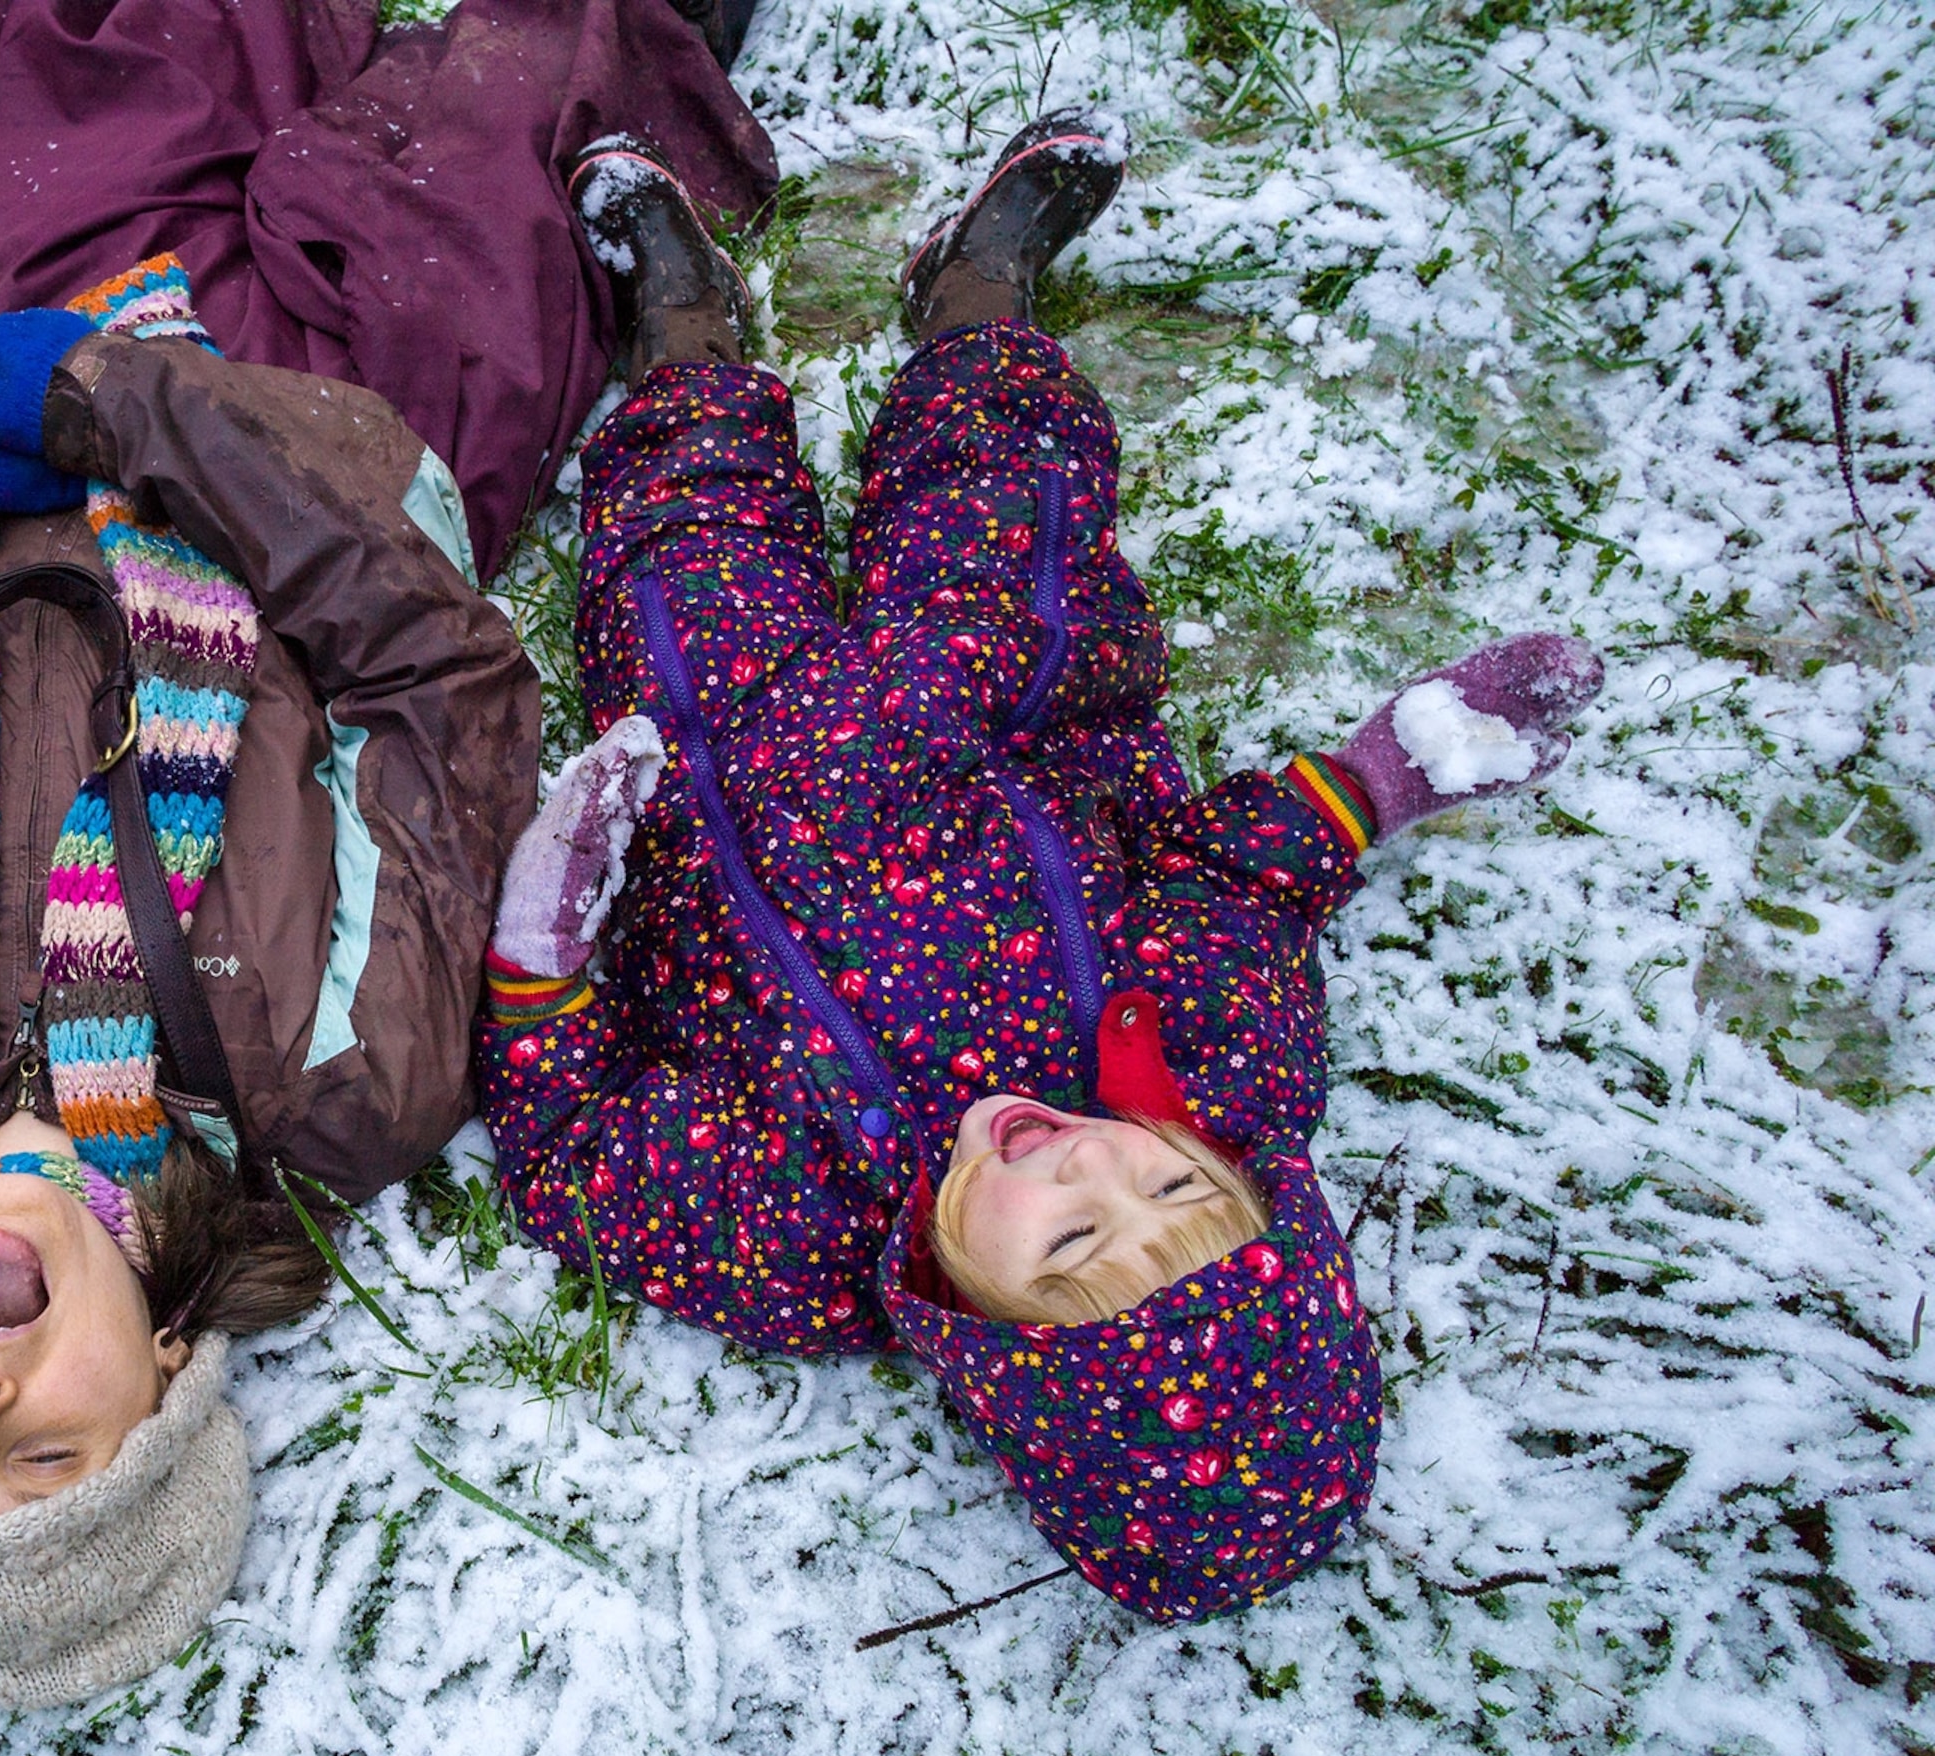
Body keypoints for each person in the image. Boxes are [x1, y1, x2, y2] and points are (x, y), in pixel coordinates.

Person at [0, 0, 772, 1707]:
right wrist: (148, 423)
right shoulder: (336, 1084)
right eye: (45, 1467)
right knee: (538, 75)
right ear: (168, 1372)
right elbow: (436, 682)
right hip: (346, 419)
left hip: (7, 403)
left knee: (138, 34)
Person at [476, 114, 1605, 1622]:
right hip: (992, 703)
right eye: (1159, 1180)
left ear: (1000, 1341)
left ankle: (683, 351)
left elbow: (577, 1156)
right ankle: (974, 305)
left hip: (721, 769)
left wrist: (546, 955)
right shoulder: (1217, 1070)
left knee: (676, 556)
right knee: (1013, 513)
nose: (1088, 1159)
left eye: (1074, 1234)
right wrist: (1379, 778)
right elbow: (1236, 887)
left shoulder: (807, 1243)